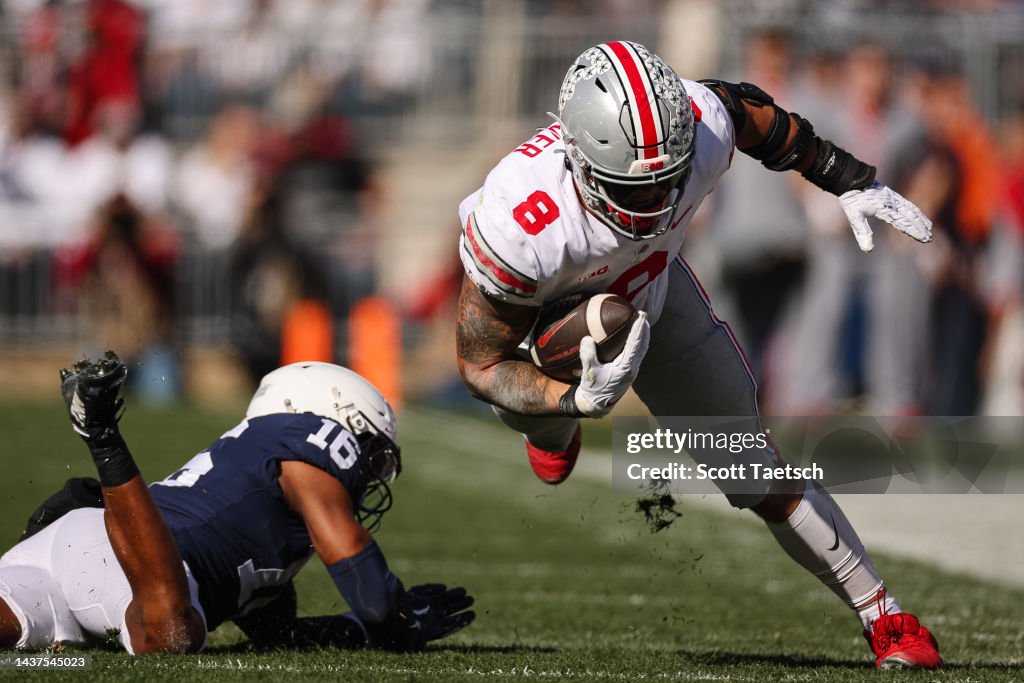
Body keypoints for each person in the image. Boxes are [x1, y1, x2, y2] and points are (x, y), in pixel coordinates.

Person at [454, 41, 939, 669]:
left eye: (670, 181)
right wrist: (567, 398)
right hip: (547, 330)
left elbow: (754, 116)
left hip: (652, 294)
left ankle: (884, 613)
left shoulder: (701, 124)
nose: (657, 204)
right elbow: (479, 365)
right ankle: (553, 431)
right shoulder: (519, 224)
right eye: (638, 189)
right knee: (539, 404)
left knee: (753, 466)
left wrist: (847, 178)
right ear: (578, 160)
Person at [0, 351, 474, 653]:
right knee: (171, 634)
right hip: (132, 571)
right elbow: (373, 599)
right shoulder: (306, 441)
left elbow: (281, 639)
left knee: (169, 625)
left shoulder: (255, 512)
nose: (369, 474)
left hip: (82, 557)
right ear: (332, 418)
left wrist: (362, 628)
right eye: (370, 452)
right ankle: (103, 437)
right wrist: (397, 621)